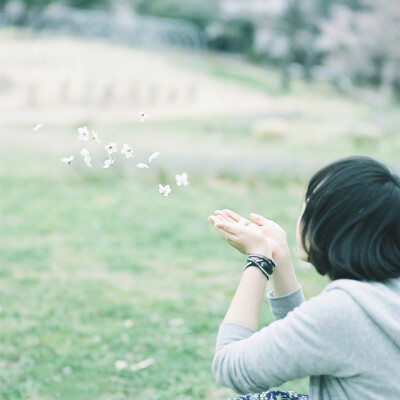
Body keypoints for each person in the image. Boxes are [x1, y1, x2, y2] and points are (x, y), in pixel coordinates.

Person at [208, 156, 400, 400]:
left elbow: (230, 367)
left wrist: (258, 259)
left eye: (308, 207)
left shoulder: (343, 312)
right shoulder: (379, 297)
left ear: (329, 226)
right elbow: (311, 339)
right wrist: (279, 256)